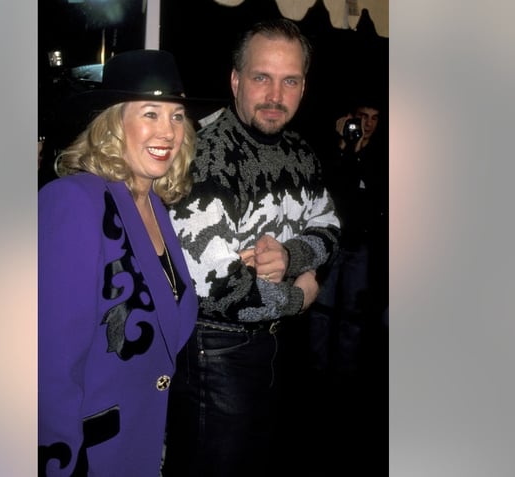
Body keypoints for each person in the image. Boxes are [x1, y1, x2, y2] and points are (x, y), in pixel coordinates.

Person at [162, 19, 341, 477]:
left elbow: (330, 224)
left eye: (290, 81)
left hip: (279, 348)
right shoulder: (201, 153)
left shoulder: (301, 151)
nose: (275, 95)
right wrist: (300, 296)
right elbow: (221, 290)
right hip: (216, 352)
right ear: (236, 81)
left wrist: (291, 256)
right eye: (261, 77)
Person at [38, 49, 201, 477]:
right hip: (89, 456)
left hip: (144, 446)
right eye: (150, 113)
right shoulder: (74, 201)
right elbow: (49, 364)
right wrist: (59, 462)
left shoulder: (156, 207)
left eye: (177, 115)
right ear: (113, 124)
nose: (168, 130)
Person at [309, 97, 387, 379]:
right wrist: (344, 146)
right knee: (322, 308)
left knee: (353, 313)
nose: (367, 124)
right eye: (362, 117)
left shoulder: (381, 156)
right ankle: (317, 370)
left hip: (362, 244)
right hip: (334, 242)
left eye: (374, 118)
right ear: (350, 118)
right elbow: (328, 188)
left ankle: (345, 373)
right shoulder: (336, 152)